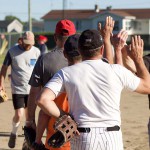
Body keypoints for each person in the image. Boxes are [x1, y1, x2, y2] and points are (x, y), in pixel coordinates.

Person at [36, 29, 150, 150]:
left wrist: (65, 116)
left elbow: (42, 100)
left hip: (83, 137)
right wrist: (138, 59)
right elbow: (147, 87)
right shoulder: (116, 70)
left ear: (79, 50)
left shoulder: (66, 73)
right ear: (101, 50)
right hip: (112, 137)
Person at [25, 19, 76, 150]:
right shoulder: (85, 59)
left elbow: (34, 93)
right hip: (81, 124)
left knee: (44, 109)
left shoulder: (45, 59)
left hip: (56, 125)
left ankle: (37, 142)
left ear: (55, 37)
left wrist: (30, 121)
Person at [0, 31, 41, 149]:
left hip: (32, 89)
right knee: (19, 114)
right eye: (26, 43)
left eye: (30, 43)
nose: (28, 46)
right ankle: (13, 133)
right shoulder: (12, 52)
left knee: (30, 119)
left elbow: (40, 70)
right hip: (17, 88)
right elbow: (4, 68)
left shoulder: (37, 52)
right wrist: (1, 83)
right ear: (21, 40)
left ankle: (26, 142)